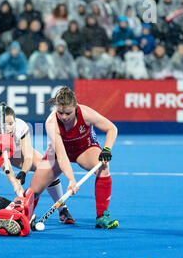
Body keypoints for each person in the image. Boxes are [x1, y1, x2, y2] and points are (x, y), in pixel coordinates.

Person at [27, 86, 119, 229]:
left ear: (75, 108)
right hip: (59, 153)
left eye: (68, 113)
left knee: (103, 168)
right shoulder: (51, 123)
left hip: (85, 149)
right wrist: (71, 179)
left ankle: (102, 216)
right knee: (34, 189)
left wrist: (107, 149)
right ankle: (25, 217)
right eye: (60, 112)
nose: (63, 117)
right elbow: (62, 156)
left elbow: (111, 128)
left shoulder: (86, 113)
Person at [0, 103, 76, 224]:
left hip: (17, 152)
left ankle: (62, 210)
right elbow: (7, 167)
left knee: (47, 169)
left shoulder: (21, 126)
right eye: (4, 124)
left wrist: (23, 172)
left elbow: (28, 154)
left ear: (15, 121)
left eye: (11, 123)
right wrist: (16, 184)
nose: (8, 127)